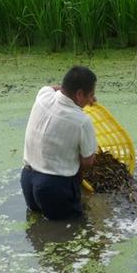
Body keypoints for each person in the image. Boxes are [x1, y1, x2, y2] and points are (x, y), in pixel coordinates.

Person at [21, 66, 97, 220]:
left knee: (39, 230)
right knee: (71, 232)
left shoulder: (43, 96)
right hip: (54, 187)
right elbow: (88, 160)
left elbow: (52, 88)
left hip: (28, 179)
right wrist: (77, 179)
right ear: (79, 94)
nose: (91, 101)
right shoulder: (82, 121)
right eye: (91, 95)